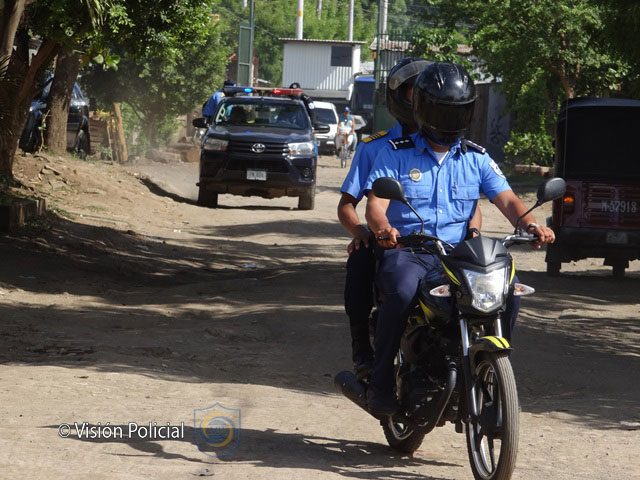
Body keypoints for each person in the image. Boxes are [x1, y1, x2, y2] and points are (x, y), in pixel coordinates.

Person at [363, 62, 556, 415]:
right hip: (411, 251)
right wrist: (383, 228)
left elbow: (508, 200)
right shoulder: (396, 153)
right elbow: (376, 205)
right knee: (401, 291)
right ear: (423, 109)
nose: (450, 121)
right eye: (443, 112)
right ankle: (381, 382)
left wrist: (531, 225)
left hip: (459, 255)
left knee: (509, 291)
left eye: (457, 112)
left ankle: (490, 371)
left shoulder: (476, 158)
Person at [337, 57, 483, 379]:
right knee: (361, 260)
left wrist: (473, 231)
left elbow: (470, 203)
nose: (420, 97)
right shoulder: (377, 148)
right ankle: (365, 352)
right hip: (394, 242)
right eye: (412, 91)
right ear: (398, 97)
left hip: (446, 248)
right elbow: (348, 205)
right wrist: (362, 232)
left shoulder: (458, 148)